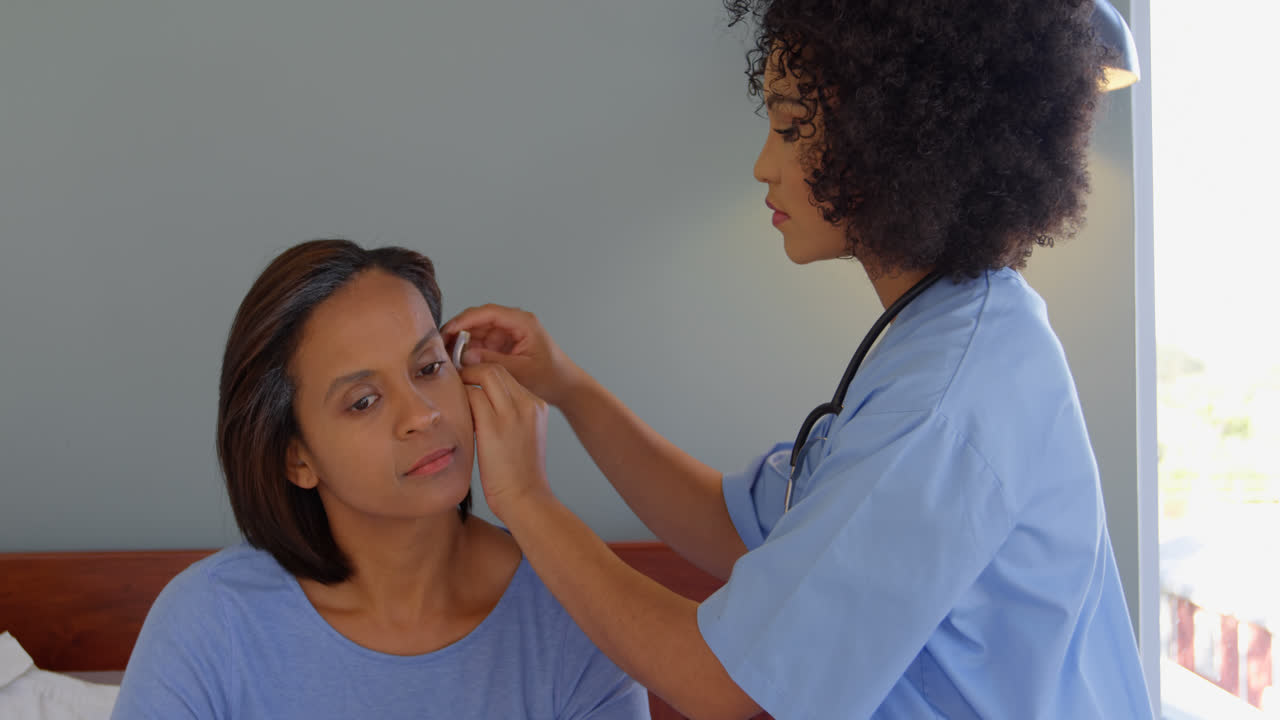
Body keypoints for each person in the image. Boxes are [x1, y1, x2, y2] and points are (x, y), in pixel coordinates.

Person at [443, 1, 1156, 718]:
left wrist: (527, 501)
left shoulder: (942, 402)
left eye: (790, 128)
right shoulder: (944, 335)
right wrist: (568, 387)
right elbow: (729, 526)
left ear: (896, 141)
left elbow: (720, 684)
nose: (763, 164)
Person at [110, 240, 648, 719]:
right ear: (297, 459)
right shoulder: (209, 623)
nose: (422, 414)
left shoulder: (577, 613)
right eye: (363, 401)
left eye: (428, 368)